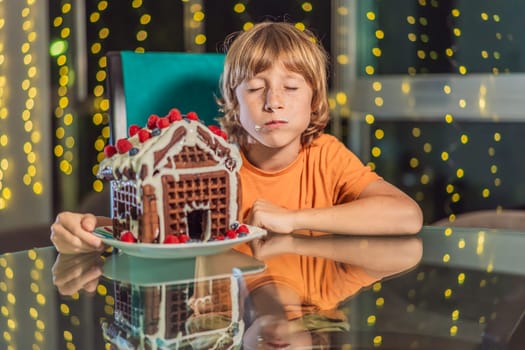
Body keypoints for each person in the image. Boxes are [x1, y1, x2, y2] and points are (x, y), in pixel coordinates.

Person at [50, 20, 422, 318]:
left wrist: (293, 219)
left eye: (291, 87)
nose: (274, 102)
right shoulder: (205, 166)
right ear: (233, 103)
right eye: (256, 88)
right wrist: (83, 234)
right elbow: (148, 231)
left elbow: (406, 217)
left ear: (315, 100)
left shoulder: (325, 156)